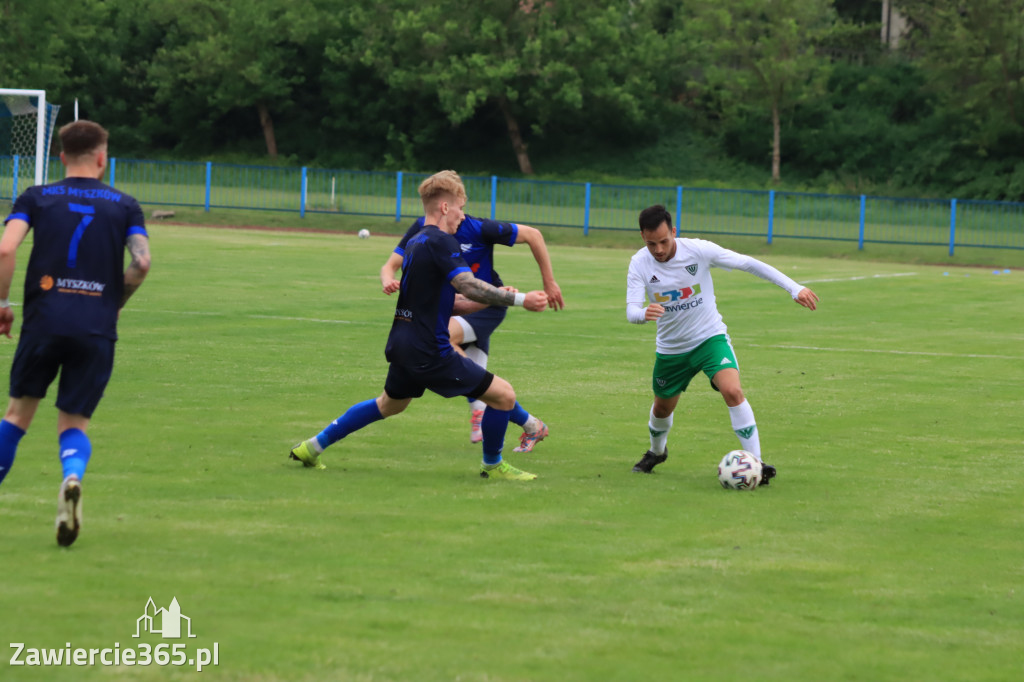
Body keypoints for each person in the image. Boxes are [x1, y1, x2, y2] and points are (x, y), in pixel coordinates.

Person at [291, 170, 548, 480]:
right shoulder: (442, 240)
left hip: (403, 341)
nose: (460, 217)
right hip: (430, 348)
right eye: (458, 209)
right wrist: (520, 300)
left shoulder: (416, 241)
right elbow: (467, 285)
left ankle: (312, 447)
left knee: (388, 405)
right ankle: (492, 465)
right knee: (503, 395)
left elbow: (449, 302)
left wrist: (495, 299)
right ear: (444, 207)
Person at [0, 120, 151, 546]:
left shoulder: (37, 197)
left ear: (61, 157)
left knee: (17, 415)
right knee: (74, 423)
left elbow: (5, 248)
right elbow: (142, 264)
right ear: (103, 158)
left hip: (44, 323)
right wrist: (111, 304)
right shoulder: (125, 206)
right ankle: (71, 476)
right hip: (95, 328)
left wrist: (3, 304)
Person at [626, 204, 818, 482]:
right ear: (642, 237)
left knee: (732, 390)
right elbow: (632, 310)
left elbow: (747, 263)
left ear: (674, 232)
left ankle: (757, 464)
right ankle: (657, 452)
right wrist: (643, 314)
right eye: (650, 243)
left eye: (664, 241)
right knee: (662, 408)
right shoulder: (639, 263)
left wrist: (793, 287)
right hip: (672, 349)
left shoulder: (698, 250)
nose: (658, 249)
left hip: (709, 338)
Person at [380, 202, 563, 450]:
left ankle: (485, 417)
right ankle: (528, 424)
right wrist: (388, 279)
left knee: (445, 342)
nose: (462, 213)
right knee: (481, 381)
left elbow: (533, 234)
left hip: (488, 304)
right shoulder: (424, 229)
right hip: (453, 305)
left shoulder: (479, 228)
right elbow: (391, 264)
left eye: (462, 206)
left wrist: (549, 283)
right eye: (459, 206)